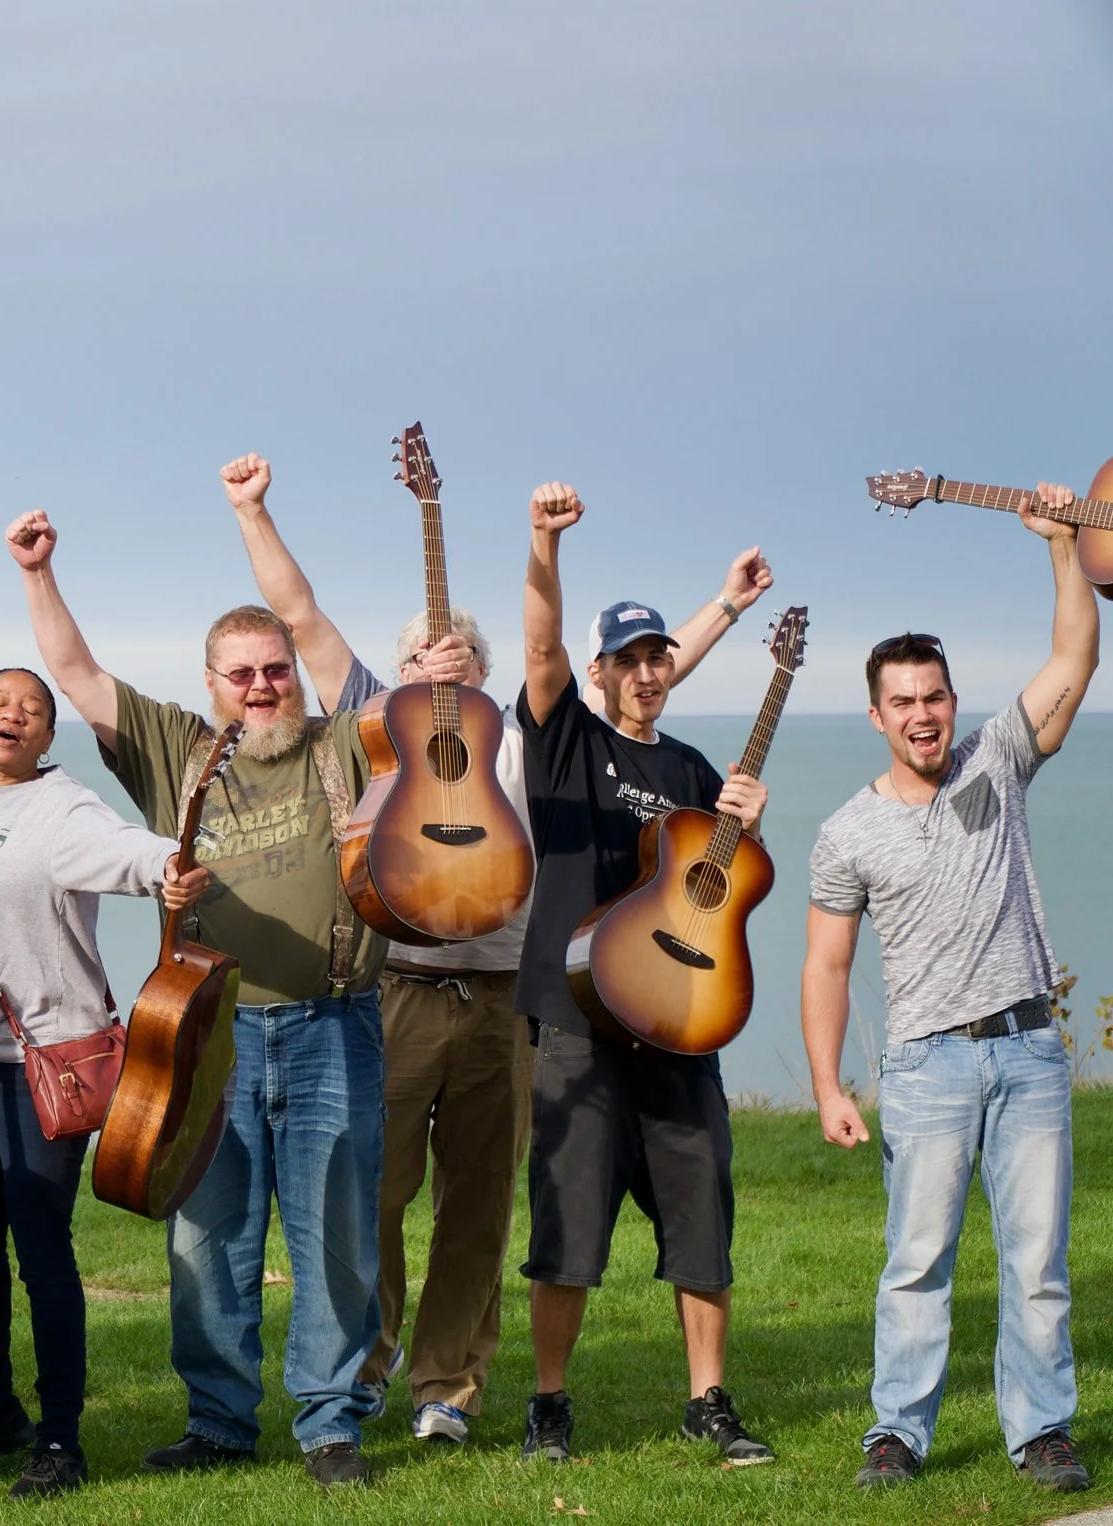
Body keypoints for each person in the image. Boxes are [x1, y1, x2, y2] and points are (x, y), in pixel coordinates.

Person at [228, 474, 768, 1445]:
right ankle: (359, 1371)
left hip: (498, 1001)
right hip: (392, 991)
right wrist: (251, 512)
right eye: (420, 657)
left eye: (461, 657)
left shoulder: (518, 734)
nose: (441, 666)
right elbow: (301, 617)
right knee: (371, 1199)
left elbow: (631, 672)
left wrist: (725, 605)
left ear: (482, 668)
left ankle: (448, 1386)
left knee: (475, 1211)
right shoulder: (378, 727)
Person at [7, 452, 472, 1488]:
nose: (264, 684)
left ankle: (330, 1421)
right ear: (211, 683)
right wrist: (38, 573)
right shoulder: (176, 746)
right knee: (205, 1237)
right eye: (243, 672)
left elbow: (305, 615)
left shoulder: (345, 740)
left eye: (274, 669)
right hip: (206, 1032)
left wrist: (250, 511)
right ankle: (219, 1417)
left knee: (338, 1231)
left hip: (333, 1022)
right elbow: (76, 674)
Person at [802, 483, 1098, 1494]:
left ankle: (1040, 1428)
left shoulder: (997, 763)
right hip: (926, 1064)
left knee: (1037, 1261)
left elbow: (1072, 659)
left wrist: (1061, 548)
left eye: (935, 696)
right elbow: (825, 963)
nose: (922, 715)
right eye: (904, 701)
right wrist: (829, 1084)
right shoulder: (846, 829)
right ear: (876, 713)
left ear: (950, 701)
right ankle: (897, 1430)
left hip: (1026, 1049)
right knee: (915, 1260)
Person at [512, 481, 774, 1467]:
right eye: (625, 658)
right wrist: (543, 543)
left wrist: (746, 813)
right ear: (596, 671)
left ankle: (708, 1400)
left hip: (682, 1022)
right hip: (579, 1024)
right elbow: (539, 644)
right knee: (567, 1223)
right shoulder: (562, 740)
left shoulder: (696, 767)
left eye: (655, 656)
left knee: (702, 1208)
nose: (644, 672)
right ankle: (549, 1403)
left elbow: (726, 882)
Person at [0, 668, 204, 1498]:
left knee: (40, 1249)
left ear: (47, 736)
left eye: (32, 710)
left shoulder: (61, 806)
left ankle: (60, 1439)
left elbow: (129, 851)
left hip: (44, 1064)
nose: (14, 716)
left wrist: (168, 868)